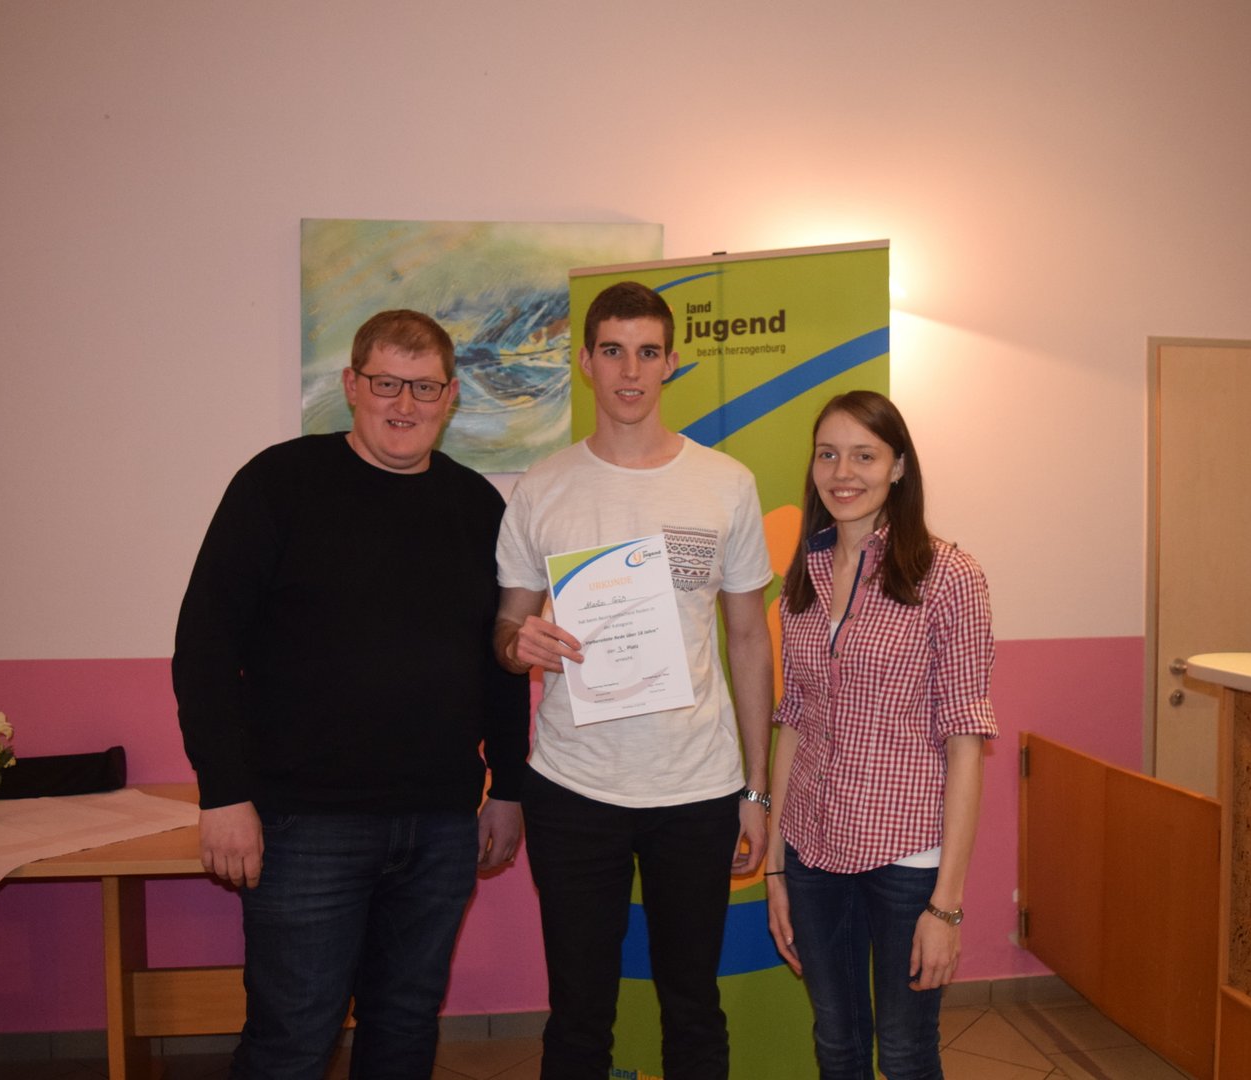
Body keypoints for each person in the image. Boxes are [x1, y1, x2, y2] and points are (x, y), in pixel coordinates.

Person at [172, 309, 530, 1080]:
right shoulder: (278, 484)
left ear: (451, 396)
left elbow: (499, 659)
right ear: (351, 386)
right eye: (386, 383)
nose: (405, 404)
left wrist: (508, 786)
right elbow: (204, 650)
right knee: (292, 1040)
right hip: (304, 823)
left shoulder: (478, 508)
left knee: (405, 1027)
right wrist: (224, 792)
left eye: (424, 387)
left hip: (440, 823)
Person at [493, 281, 774, 1080]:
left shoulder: (725, 483)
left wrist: (756, 791)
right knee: (579, 1014)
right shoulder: (543, 486)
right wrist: (521, 644)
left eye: (648, 352)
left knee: (693, 1005)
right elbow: (506, 633)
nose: (630, 370)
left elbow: (749, 639)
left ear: (671, 362)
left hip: (697, 787)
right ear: (585, 361)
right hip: (573, 787)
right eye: (613, 351)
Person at [764, 390, 997, 1080]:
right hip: (812, 850)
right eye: (828, 455)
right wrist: (776, 866)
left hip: (907, 857)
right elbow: (794, 724)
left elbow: (965, 743)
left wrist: (945, 907)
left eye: (864, 456)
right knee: (836, 1043)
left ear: (898, 467)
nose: (843, 473)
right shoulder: (804, 576)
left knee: (903, 1051)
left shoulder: (948, 576)